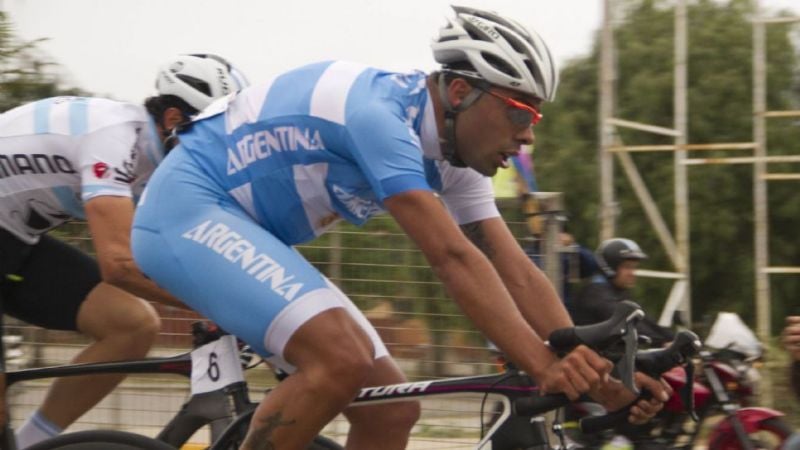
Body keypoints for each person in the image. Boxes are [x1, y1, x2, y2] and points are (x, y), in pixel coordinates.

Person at [131, 7, 671, 450]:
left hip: (247, 231)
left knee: (392, 408)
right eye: (518, 114)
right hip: (186, 211)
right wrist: (542, 367)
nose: (527, 136)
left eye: (534, 118)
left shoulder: (458, 155)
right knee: (339, 357)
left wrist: (602, 382)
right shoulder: (379, 116)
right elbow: (451, 258)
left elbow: (517, 271)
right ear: (460, 92)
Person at [0, 53, 247, 448]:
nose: (219, 147)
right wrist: (218, 305)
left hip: (16, 242)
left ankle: (30, 444)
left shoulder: (159, 162)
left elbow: (185, 243)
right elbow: (120, 266)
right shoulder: (113, 139)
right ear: (172, 119)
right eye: (213, 132)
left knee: (131, 325)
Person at [570, 238, 674, 347]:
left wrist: (672, 338)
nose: (632, 273)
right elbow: (626, 322)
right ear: (610, 267)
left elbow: (644, 319)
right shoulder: (596, 294)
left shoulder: (617, 292)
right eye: (627, 267)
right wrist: (662, 342)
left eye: (634, 268)